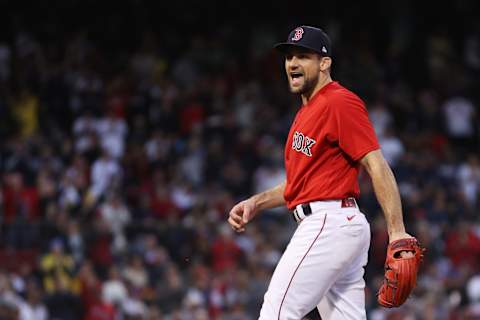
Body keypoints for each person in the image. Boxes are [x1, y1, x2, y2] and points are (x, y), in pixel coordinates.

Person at [227, 25, 413, 320]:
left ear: (325, 63)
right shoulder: (306, 112)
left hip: (329, 223)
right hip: (336, 224)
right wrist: (256, 203)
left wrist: (396, 231)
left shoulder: (339, 101)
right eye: (289, 57)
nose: (293, 64)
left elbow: (375, 164)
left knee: (276, 313)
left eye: (303, 56)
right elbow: (300, 184)